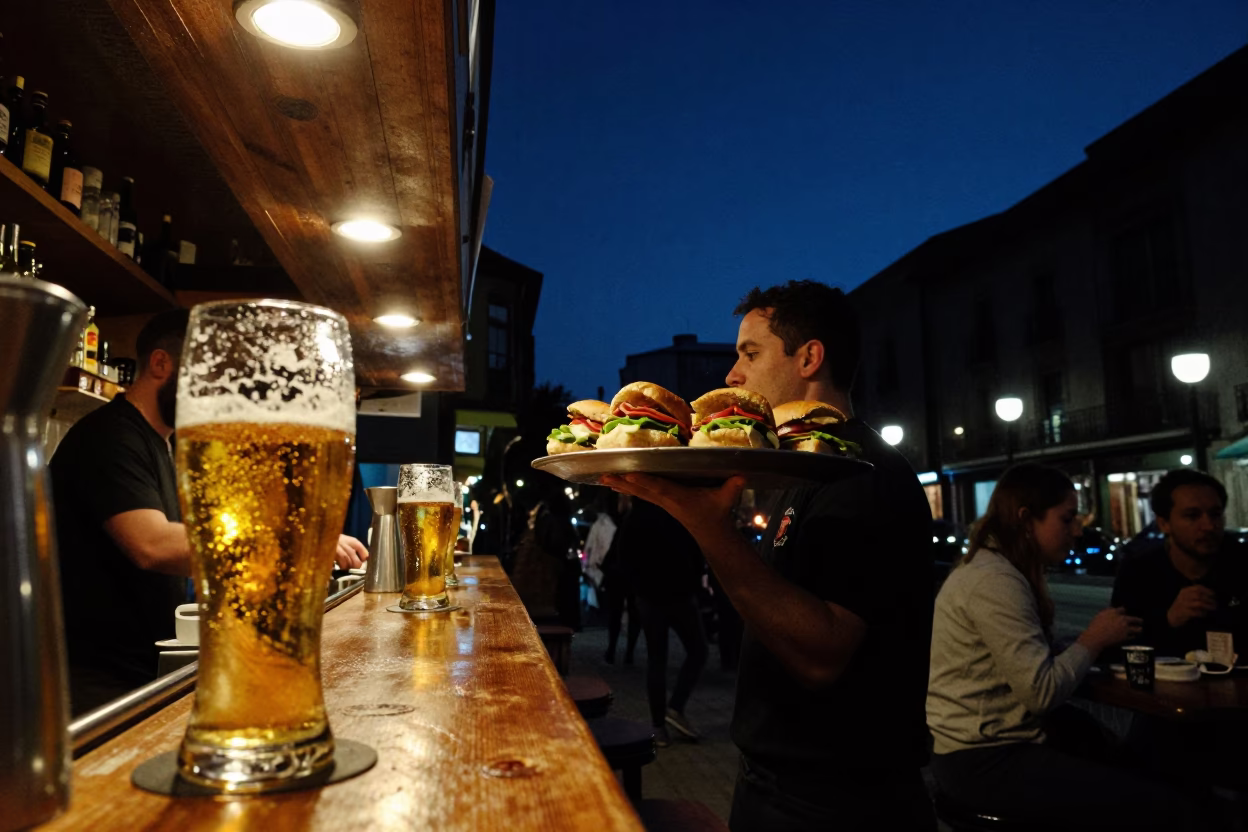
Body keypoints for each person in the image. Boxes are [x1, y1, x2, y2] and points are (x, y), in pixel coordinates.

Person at [605, 280, 935, 831]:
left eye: (750, 354)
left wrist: (705, 526)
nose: (733, 375)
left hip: (840, 803)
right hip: (777, 783)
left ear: (809, 357)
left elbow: (822, 653)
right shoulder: (796, 469)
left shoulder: (862, 475)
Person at [52, 309, 369, 714]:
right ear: (161, 363)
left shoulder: (165, 444)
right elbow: (151, 544)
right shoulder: (109, 435)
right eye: (203, 372)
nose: (213, 388)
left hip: (144, 663)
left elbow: (200, 538)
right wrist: (292, 546)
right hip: (96, 677)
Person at [926, 464, 1194, 831]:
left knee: (1129, 758)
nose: (1077, 529)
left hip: (983, 750)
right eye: (1067, 518)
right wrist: (1093, 639)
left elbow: (1029, 658)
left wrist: (1084, 645)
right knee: (1165, 806)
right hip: (984, 761)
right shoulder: (995, 580)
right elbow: (1040, 691)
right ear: (1026, 520)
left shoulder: (1000, 569)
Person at [1112, 469, 1245, 658]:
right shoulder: (1139, 572)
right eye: (1192, 516)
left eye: (1215, 514)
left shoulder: (1240, 562)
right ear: (1164, 524)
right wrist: (1169, 620)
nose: (1208, 526)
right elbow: (1121, 650)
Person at [617, 497, 709, 747]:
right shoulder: (675, 509)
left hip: (652, 597)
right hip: (677, 594)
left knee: (659, 659)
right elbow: (694, 548)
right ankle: (672, 710)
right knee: (696, 651)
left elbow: (623, 559)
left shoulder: (636, 516)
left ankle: (660, 724)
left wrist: (637, 590)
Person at [601, 494, 641, 665]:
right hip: (632, 574)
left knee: (617, 613)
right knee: (633, 614)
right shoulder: (634, 520)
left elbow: (617, 549)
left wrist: (607, 567)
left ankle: (613, 650)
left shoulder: (626, 520)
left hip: (620, 573)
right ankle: (627, 653)